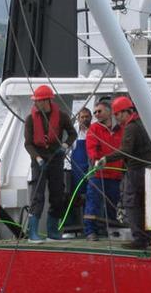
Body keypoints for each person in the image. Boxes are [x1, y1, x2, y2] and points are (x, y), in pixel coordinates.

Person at [101, 96, 151, 250]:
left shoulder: (131, 127)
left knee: (131, 203)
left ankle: (139, 239)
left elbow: (126, 150)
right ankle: (150, 237)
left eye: (117, 114)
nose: (117, 119)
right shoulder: (143, 123)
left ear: (125, 112)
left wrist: (106, 159)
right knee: (147, 205)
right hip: (150, 168)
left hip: (137, 171)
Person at [24, 84, 77, 243]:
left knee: (57, 194)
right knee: (37, 196)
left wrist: (65, 146)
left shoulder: (62, 116)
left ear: (46, 101)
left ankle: (52, 232)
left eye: (38, 101)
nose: (35, 103)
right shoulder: (30, 119)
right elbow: (28, 143)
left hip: (56, 159)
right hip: (38, 160)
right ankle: (32, 232)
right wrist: (37, 158)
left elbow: (72, 134)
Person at [83, 98, 123, 241]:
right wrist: (96, 160)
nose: (96, 114)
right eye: (95, 112)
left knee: (112, 204)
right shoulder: (94, 129)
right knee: (93, 202)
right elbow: (91, 148)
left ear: (109, 111)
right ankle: (90, 231)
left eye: (99, 111)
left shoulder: (121, 129)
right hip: (98, 173)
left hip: (115, 174)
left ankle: (110, 230)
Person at [62, 107, 92, 231]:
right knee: (72, 197)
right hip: (74, 169)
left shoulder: (94, 130)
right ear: (78, 118)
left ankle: (89, 225)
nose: (84, 119)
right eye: (82, 117)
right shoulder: (73, 131)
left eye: (87, 117)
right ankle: (71, 226)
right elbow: (66, 150)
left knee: (90, 197)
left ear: (90, 117)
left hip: (90, 168)